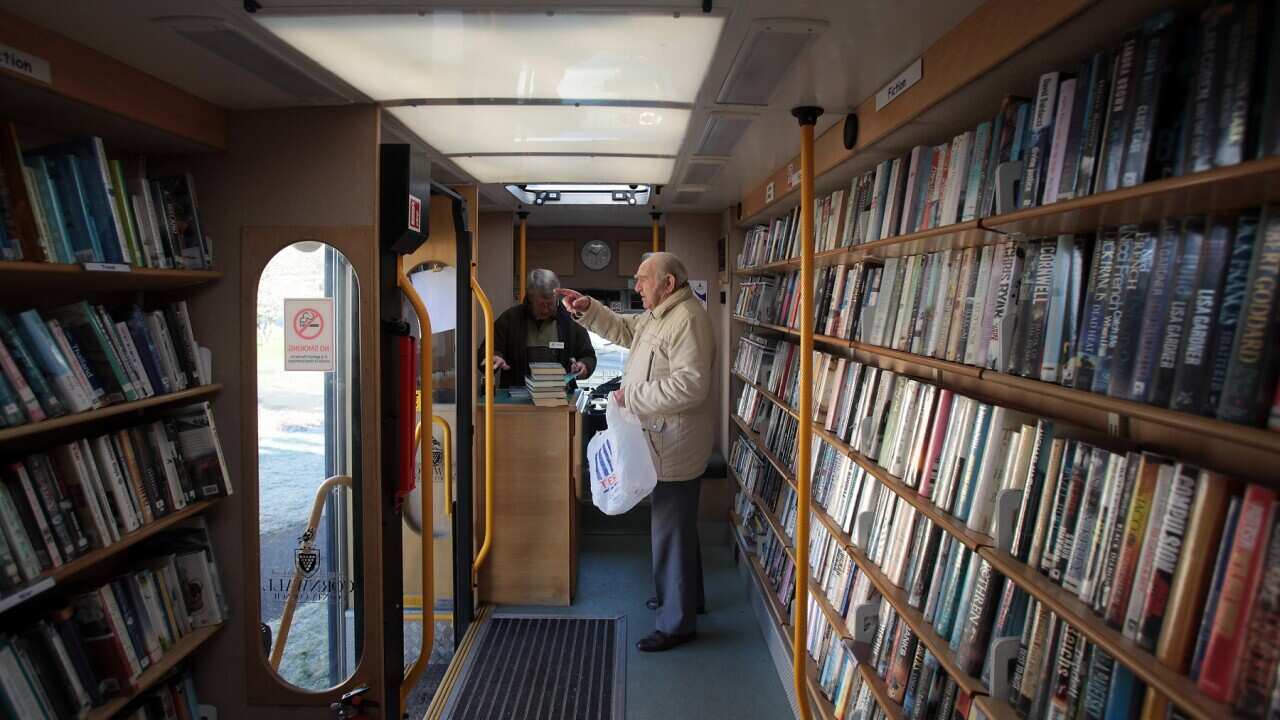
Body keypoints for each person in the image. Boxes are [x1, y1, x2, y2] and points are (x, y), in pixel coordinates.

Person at [557, 252, 716, 652]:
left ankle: (676, 623)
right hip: (666, 440)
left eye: (644, 279)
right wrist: (588, 309)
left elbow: (691, 386)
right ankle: (688, 599)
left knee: (669, 531)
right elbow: (625, 330)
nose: (637, 286)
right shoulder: (660, 315)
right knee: (678, 529)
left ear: (668, 283)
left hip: (676, 445)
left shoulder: (687, 319)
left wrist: (632, 396)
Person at [480, 268, 596, 388]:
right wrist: (493, 358)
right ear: (530, 299)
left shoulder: (571, 321)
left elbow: (588, 355)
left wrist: (584, 365)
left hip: (561, 394)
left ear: (557, 298)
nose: (545, 310)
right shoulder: (510, 319)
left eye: (550, 304)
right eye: (541, 305)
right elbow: (487, 351)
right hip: (518, 395)